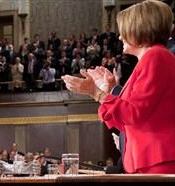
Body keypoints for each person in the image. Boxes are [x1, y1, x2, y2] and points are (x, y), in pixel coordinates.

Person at [63, 0, 175, 174]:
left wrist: (99, 93)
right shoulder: (152, 58)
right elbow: (126, 123)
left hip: (156, 161)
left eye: (124, 31)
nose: (120, 37)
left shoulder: (156, 56)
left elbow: (134, 114)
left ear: (140, 30)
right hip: (148, 161)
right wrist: (98, 93)